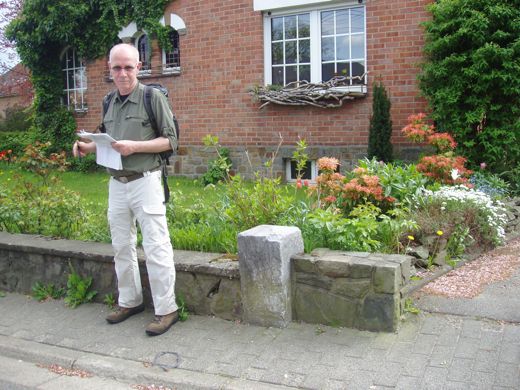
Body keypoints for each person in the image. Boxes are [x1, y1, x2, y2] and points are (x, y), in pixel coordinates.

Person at [73, 43, 179, 336]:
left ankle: (167, 309)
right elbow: (108, 142)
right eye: (117, 68)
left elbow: (171, 141)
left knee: (157, 247)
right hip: (116, 185)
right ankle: (129, 301)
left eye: (128, 67)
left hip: (146, 181)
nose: (122, 73)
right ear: (110, 69)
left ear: (139, 66)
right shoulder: (108, 101)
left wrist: (137, 147)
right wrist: (86, 147)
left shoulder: (151, 97)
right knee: (122, 247)